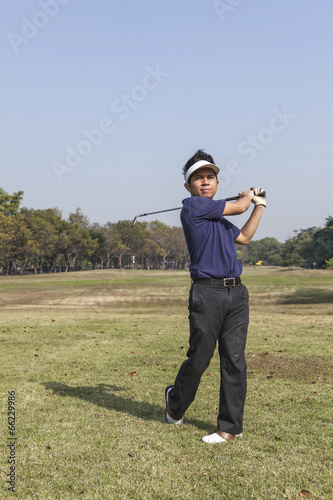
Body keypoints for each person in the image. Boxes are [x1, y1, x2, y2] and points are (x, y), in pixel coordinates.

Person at [165, 149, 266, 444]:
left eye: (210, 177)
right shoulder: (194, 206)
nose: (205, 182)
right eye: (199, 178)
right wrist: (248, 196)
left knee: (235, 359)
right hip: (207, 293)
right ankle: (175, 402)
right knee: (200, 358)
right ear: (189, 186)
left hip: (237, 293)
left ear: (217, 183)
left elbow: (244, 237)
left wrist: (259, 205)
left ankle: (229, 428)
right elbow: (238, 207)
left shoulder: (218, 218)